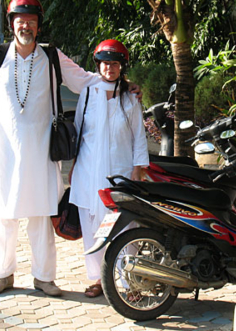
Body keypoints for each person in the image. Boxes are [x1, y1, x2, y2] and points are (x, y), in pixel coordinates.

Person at [0, 0, 141, 297]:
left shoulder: (51, 57)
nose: (25, 25)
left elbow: (86, 80)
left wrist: (124, 81)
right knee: (3, 213)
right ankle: (2, 275)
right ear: (12, 23)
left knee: (42, 215)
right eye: (20, 20)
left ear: (38, 26)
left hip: (43, 151)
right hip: (5, 150)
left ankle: (44, 277)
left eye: (31, 21)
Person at [68, 39, 149, 298]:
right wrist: (72, 168)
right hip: (88, 171)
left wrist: (139, 168)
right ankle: (98, 280)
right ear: (98, 65)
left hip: (121, 172)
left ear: (122, 66)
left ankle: (129, 281)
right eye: (105, 63)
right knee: (92, 228)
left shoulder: (130, 97)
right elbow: (79, 132)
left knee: (125, 226)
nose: (109, 68)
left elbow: (139, 135)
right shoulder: (89, 93)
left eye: (114, 64)